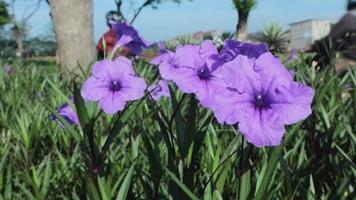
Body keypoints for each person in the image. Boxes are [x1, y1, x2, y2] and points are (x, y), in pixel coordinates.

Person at [312, 0, 356, 70]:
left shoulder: (349, 17)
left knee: (328, 70)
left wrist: (312, 46)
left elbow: (330, 39)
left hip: (352, 61)